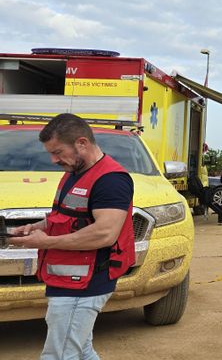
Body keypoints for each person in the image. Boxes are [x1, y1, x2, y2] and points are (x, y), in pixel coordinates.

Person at [10, 113, 135, 360]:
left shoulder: (111, 180)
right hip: (67, 281)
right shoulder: (73, 172)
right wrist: (37, 227)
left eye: (57, 152)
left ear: (82, 143)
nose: (53, 159)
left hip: (85, 284)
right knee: (81, 350)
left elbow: (104, 234)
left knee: (60, 354)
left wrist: (47, 242)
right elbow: (67, 216)